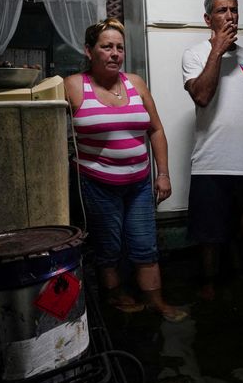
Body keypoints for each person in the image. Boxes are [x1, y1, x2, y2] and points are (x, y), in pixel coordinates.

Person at [65, 18, 187, 322]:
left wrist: (163, 173)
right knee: (109, 246)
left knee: (145, 244)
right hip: (96, 183)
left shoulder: (136, 83)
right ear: (89, 51)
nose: (115, 53)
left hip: (139, 183)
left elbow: (156, 130)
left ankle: (156, 301)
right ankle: (116, 297)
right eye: (106, 47)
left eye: (119, 47)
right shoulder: (74, 86)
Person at [182, 0, 243, 300]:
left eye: (233, 10)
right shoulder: (195, 55)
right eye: (222, 10)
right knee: (209, 234)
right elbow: (202, 96)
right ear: (208, 19)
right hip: (211, 161)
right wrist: (217, 51)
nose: (230, 16)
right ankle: (209, 286)